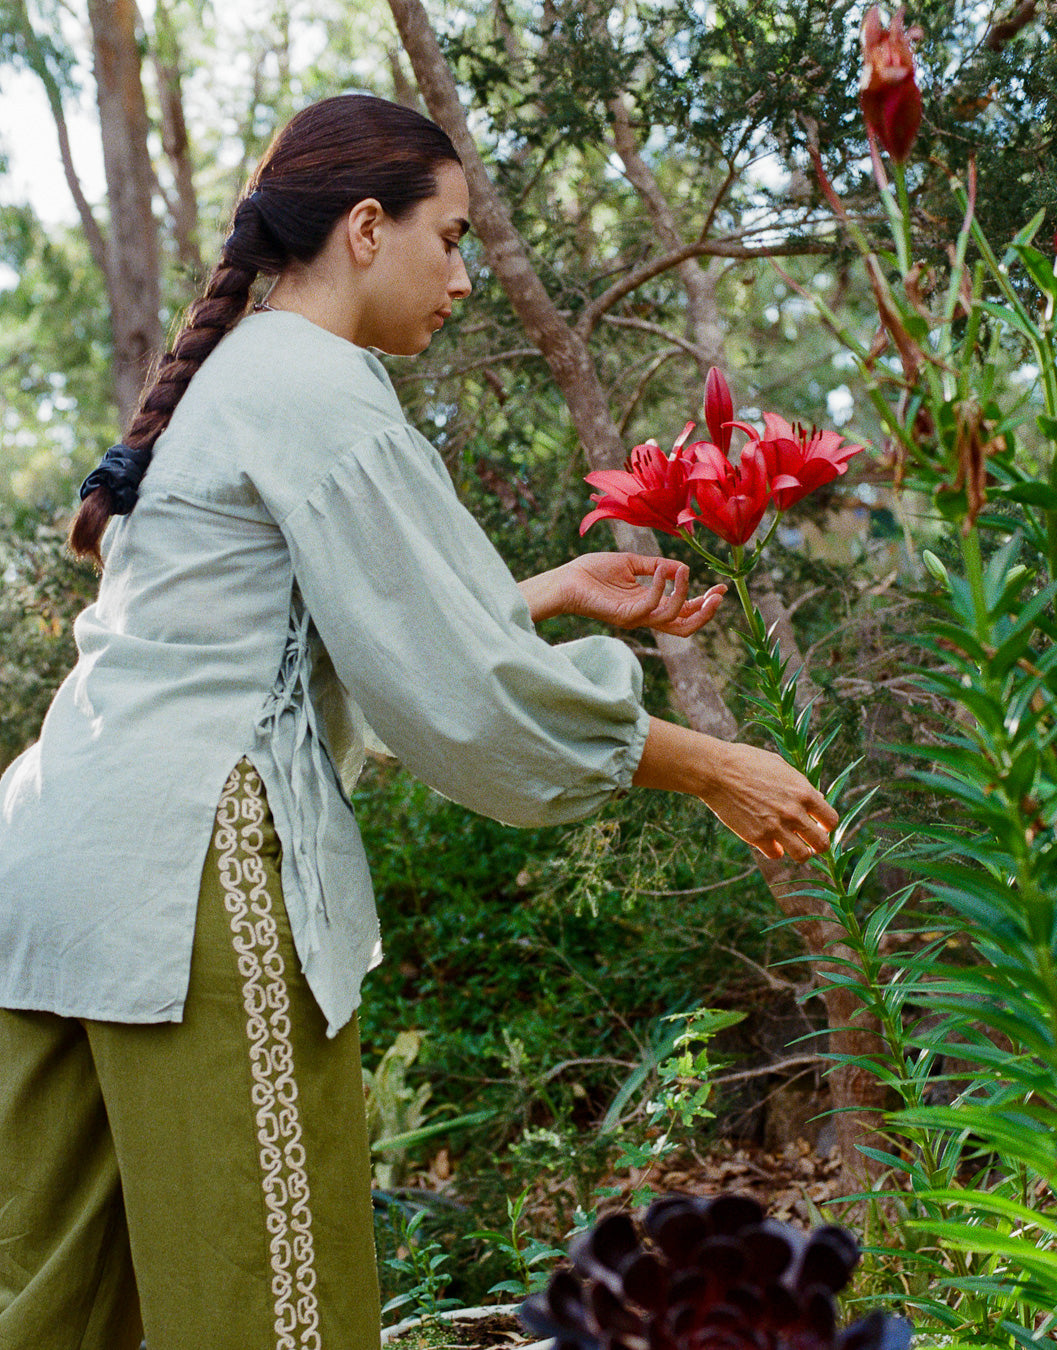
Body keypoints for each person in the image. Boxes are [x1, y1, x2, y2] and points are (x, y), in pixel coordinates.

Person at [0, 94, 837, 1350]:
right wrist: (710, 764)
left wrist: (548, 590)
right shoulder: (317, 382)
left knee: (60, 1312)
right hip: (189, 875)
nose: (463, 279)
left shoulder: (235, 376)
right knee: (272, 1312)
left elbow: (299, 636)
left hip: (54, 870)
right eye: (449, 239)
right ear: (364, 228)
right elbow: (457, 688)